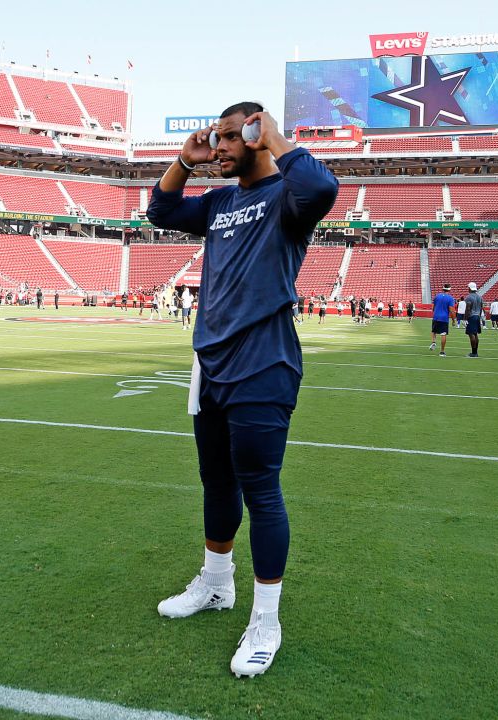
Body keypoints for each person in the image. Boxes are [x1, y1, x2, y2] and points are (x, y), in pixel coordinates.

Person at [146, 101, 338, 678]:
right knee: (216, 481)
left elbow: (321, 189)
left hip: (264, 364)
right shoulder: (220, 202)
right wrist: (186, 158)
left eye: (231, 137)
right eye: (218, 136)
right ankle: (215, 584)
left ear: (256, 135)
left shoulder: (286, 197)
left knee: (261, 490)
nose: (220, 146)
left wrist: (272, 136)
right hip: (212, 362)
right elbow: (159, 210)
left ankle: (266, 619)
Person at [429, 283, 456, 356]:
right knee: (443, 334)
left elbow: (433, 307)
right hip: (444, 318)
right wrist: (453, 320)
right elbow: (451, 310)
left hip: (436, 316)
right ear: (450, 290)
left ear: (442, 288)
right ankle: (442, 351)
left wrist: (435, 313)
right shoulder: (450, 298)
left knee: (434, 331)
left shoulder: (437, 296)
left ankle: (433, 342)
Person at [464, 282, 485, 357]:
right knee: (475, 334)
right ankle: (475, 352)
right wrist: (479, 316)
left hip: (471, 317)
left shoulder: (469, 297)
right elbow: (481, 308)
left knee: (471, 334)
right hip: (477, 316)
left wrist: (465, 319)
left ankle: (473, 353)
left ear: (469, 288)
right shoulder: (480, 297)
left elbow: (468, 309)